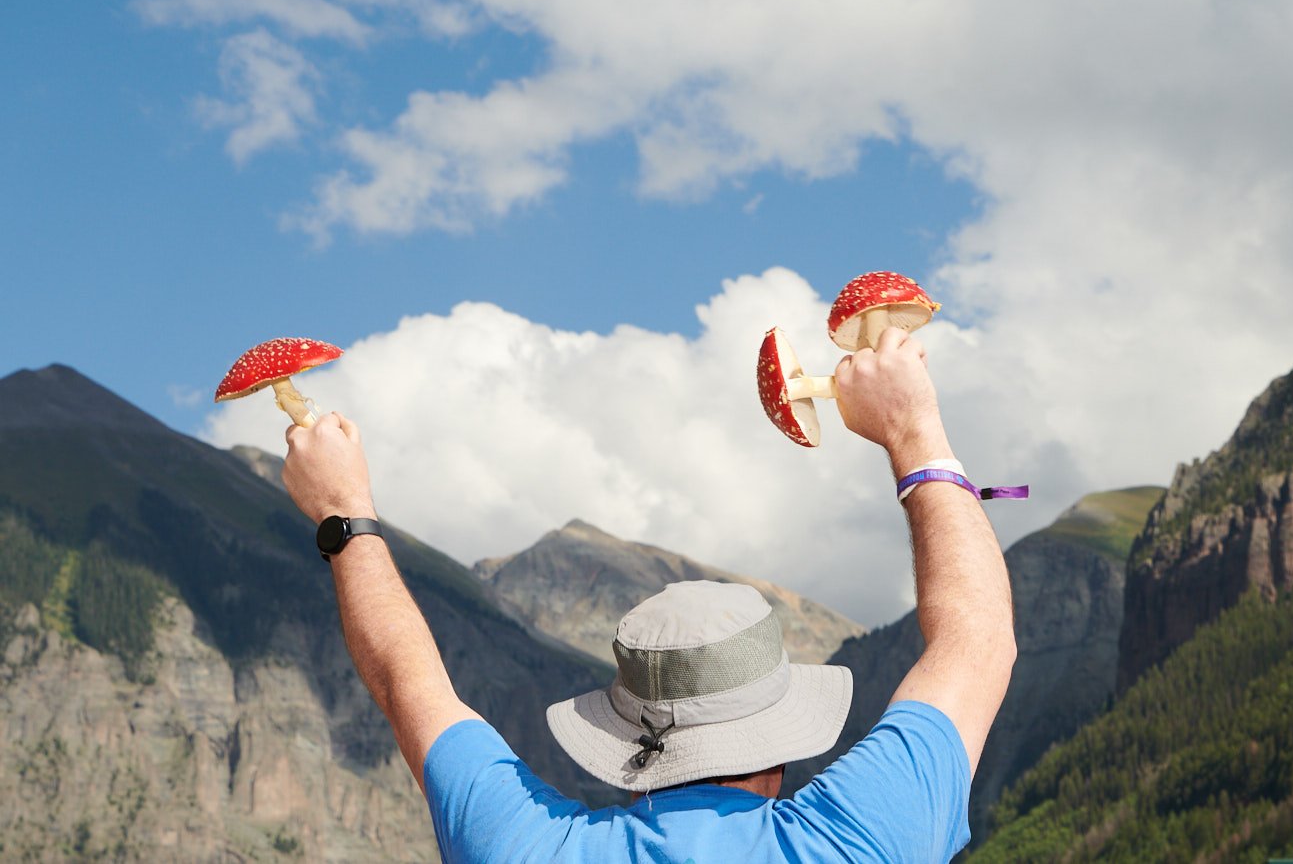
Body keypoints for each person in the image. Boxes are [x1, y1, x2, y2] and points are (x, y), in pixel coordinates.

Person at [281, 326, 1016, 863]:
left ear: (627, 740)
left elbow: (407, 681)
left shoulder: (525, 846)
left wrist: (344, 513)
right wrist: (914, 430)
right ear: (779, 742)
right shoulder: (861, 834)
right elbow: (978, 639)